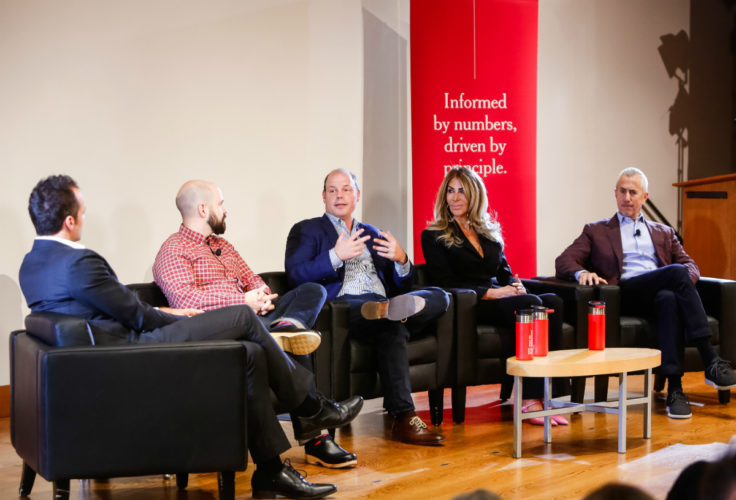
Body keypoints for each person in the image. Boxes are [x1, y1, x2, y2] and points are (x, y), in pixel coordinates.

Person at [19, 175, 362, 499]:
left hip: (107, 355)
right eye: (82, 210)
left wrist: (166, 312)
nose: (84, 215)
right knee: (242, 316)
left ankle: (270, 470)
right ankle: (311, 406)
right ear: (69, 221)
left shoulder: (33, 263)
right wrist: (170, 313)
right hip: (132, 352)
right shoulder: (79, 263)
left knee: (251, 353)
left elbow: (106, 310)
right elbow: (137, 316)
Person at [153, 179, 358, 469]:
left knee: (312, 290)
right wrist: (242, 302)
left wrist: (260, 296)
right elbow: (186, 298)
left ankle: (284, 328)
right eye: (221, 204)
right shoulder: (173, 250)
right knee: (296, 341)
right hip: (225, 327)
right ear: (203, 208)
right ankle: (316, 440)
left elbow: (253, 279)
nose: (225, 210)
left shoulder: (224, 245)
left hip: (259, 317)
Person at [285, 168, 450, 445]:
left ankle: (388, 315)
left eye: (346, 189)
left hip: (383, 305)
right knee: (389, 316)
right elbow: (295, 275)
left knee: (437, 298)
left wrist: (401, 260)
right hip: (345, 307)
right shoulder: (307, 229)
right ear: (323, 197)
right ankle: (405, 417)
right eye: (333, 190)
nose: (339, 195)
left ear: (357, 195)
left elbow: (402, 289)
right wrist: (335, 256)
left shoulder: (372, 233)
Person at [555, 167, 736, 419]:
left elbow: (690, 266)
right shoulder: (596, 231)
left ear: (644, 197)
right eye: (622, 191)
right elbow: (564, 260)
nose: (626, 197)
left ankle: (675, 389)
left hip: (659, 294)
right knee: (674, 274)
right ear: (615, 193)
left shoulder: (664, 232)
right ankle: (710, 359)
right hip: (626, 294)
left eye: (633, 192)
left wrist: (682, 280)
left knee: (669, 298)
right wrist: (580, 273)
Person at [421, 167, 568, 426]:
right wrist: (493, 293)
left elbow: (505, 273)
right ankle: (528, 401)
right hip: (469, 304)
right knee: (530, 305)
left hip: (499, 299)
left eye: (462, 191)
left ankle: (548, 395)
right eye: (450, 191)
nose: (454, 198)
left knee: (552, 302)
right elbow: (444, 283)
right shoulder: (433, 235)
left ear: (475, 196)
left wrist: (516, 286)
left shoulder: (488, 233)